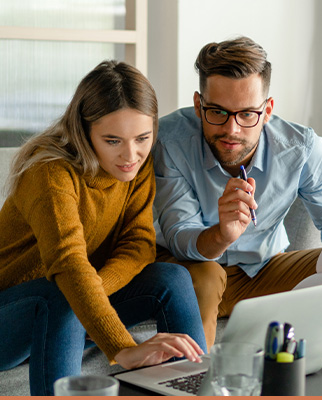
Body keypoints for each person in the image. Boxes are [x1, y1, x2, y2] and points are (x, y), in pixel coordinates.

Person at [153, 36, 322, 352]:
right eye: (217, 112)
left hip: (262, 270)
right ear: (199, 105)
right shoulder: (169, 142)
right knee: (205, 276)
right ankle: (194, 385)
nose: (232, 130)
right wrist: (222, 234)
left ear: (267, 109)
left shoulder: (302, 148)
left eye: (247, 114)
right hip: (190, 268)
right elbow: (180, 236)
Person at [0, 60, 206, 396]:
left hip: (72, 306)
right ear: (83, 131)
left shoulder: (138, 165)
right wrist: (123, 348)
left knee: (171, 278)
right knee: (63, 291)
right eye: (113, 140)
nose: (131, 154)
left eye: (142, 137)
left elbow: (139, 243)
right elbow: (68, 264)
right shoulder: (50, 172)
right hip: (9, 320)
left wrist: (95, 289)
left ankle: (197, 388)